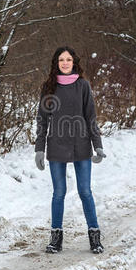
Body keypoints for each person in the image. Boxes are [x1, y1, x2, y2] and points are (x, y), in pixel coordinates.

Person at [34, 47, 106, 254]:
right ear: (56, 63)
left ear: (74, 62)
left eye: (68, 59)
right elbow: (42, 121)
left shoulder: (83, 86)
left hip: (81, 145)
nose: (65, 63)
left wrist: (98, 145)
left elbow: (91, 117)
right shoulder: (49, 87)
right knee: (59, 193)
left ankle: (94, 237)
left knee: (85, 191)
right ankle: (56, 238)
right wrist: (40, 149)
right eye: (61, 60)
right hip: (56, 146)